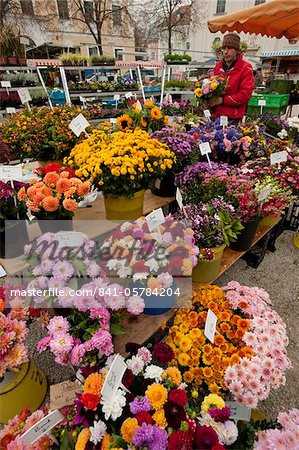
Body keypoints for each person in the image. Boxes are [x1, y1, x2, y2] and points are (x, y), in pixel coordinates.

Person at [209, 33, 254, 123]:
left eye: (229, 48)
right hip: (215, 115)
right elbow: (210, 85)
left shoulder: (245, 68)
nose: (225, 52)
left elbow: (245, 94)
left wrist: (222, 100)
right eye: (224, 48)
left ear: (237, 51)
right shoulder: (218, 66)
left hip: (233, 118)